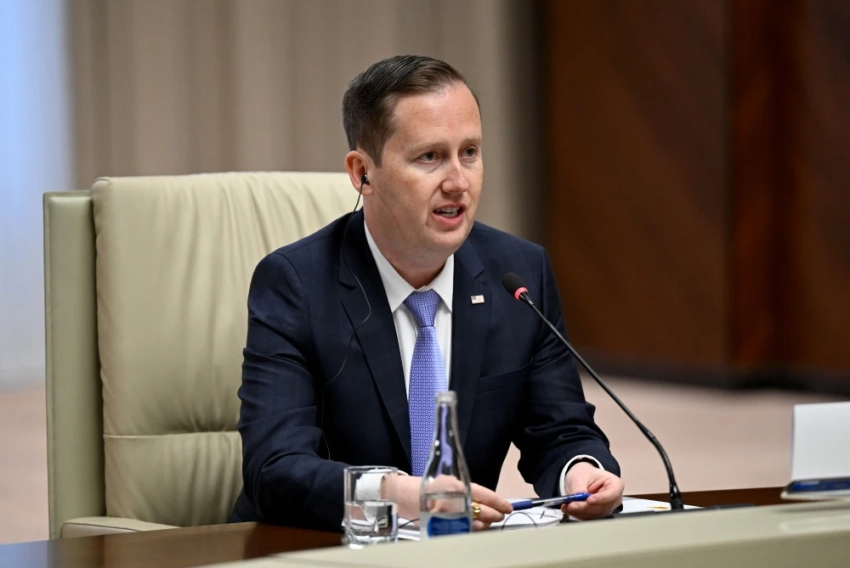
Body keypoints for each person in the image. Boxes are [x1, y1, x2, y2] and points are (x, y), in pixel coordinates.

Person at [228, 55, 624, 532]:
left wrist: (581, 472)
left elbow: (560, 431)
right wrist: (401, 496)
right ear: (362, 172)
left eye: (469, 152)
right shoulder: (295, 284)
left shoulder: (519, 276)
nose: (458, 182)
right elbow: (275, 471)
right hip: (319, 548)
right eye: (430, 157)